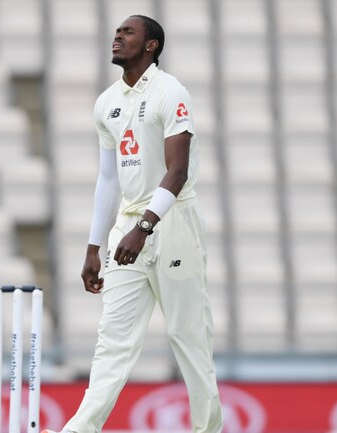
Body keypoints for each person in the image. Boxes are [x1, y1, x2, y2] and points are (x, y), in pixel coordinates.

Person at [42, 14, 223, 433]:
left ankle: (208, 429)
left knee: (188, 337)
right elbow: (108, 180)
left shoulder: (170, 92)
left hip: (172, 221)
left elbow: (176, 173)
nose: (117, 36)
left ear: (151, 45)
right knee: (113, 341)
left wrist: (143, 228)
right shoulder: (107, 102)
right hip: (129, 226)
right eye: (116, 31)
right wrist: (93, 246)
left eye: (128, 32)